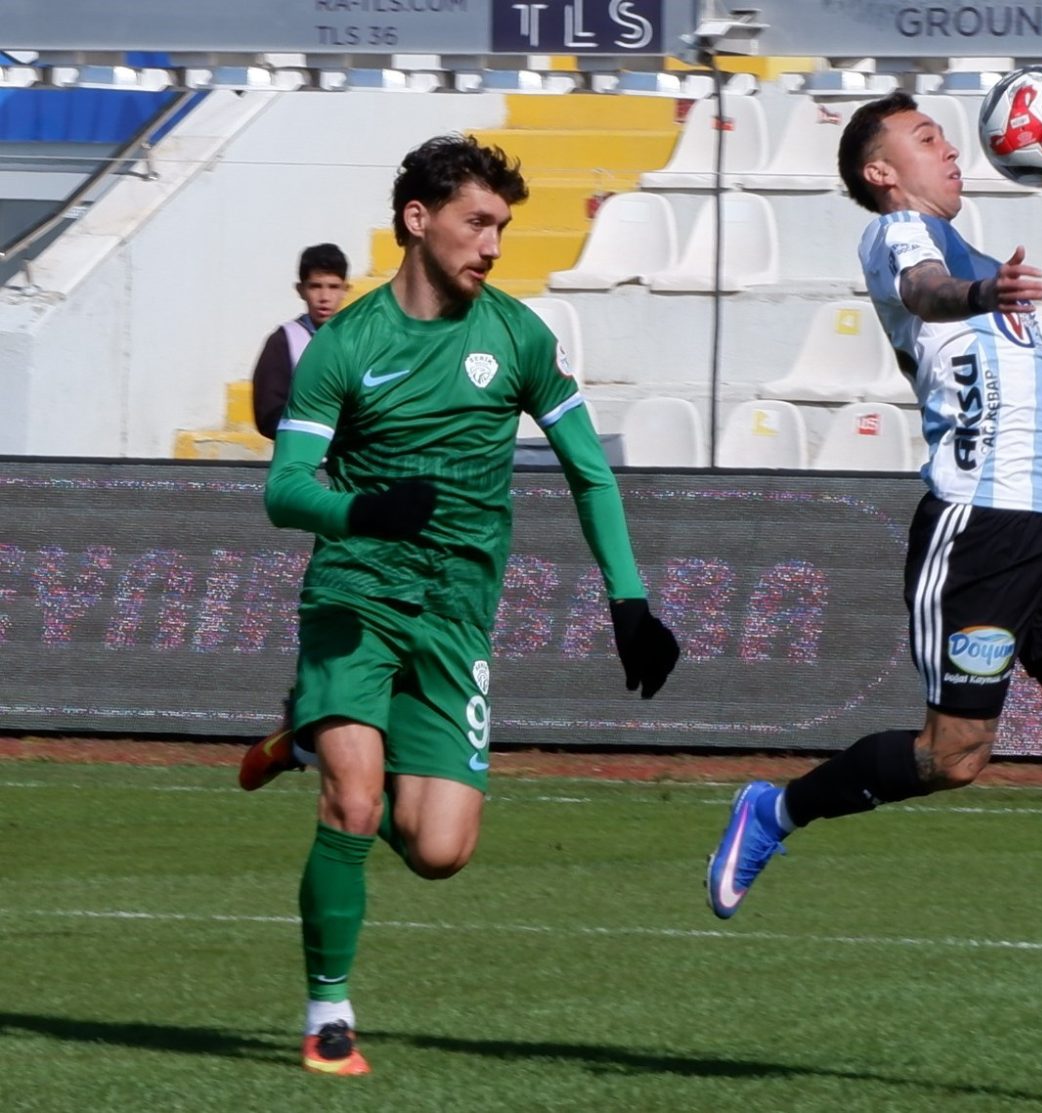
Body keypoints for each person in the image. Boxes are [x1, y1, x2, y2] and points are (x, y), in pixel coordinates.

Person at [706, 92, 1042, 1023]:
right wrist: (980, 295)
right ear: (882, 172)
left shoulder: (981, 265)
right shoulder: (899, 239)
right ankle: (777, 810)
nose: (951, 150)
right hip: (977, 533)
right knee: (954, 757)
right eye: (926, 139)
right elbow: (927, 293)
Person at [237, 134, 680, 1075]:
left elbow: (590, 472)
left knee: (439, 849)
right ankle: (327, 1013)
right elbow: (284, 490)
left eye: (502, 226)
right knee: (355, 802)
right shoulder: (346, 345)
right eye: (477, 222)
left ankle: (308, 736)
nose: (493, 244)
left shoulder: (517, 336)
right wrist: (362, 511)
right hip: (355, 596)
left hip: (457, 613)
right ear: (417, 219)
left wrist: (629, 603)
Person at [252, 243, 351, 440]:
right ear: (300, 290)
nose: (324, 297)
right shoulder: (284, 341)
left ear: (345, 290)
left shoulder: (359, 338)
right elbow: (268, 415)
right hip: (303, 454)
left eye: (333, 287)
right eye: (315, 286)